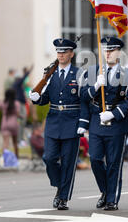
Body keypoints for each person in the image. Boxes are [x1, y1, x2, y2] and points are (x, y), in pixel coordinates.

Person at [29, 38, 90, 211]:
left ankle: (63, 197)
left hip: (72, 122)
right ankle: (58, 185)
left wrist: (83, 123)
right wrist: (37, 99)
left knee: (68, 163)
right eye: (58, 52)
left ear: (71, 54)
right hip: (54, 121)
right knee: (49, 158)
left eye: (64, 52)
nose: (61, 54)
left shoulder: (79, 74)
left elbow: (84, 101)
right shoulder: (52, 74)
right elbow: (46, 97)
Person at [80, 36, 128, 211]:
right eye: (106, 50)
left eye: (112, 50)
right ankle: (105, 191)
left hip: (116, 122)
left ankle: (112, 199)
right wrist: (96, 86)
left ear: (119, 52)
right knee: (96, 159)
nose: (108, 53)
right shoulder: (93, 71)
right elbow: (83, 96)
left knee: (113, 163)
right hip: (97, 120)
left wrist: (113, 114)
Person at [13, 65, 33, 146]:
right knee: (21, 122)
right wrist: (29, 70)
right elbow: (24, 78)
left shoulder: (18, 85)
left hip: (21, 103)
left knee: (22, 122)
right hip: (20, 105)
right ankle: (19, 140)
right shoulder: (17, 83)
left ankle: (20, 139)